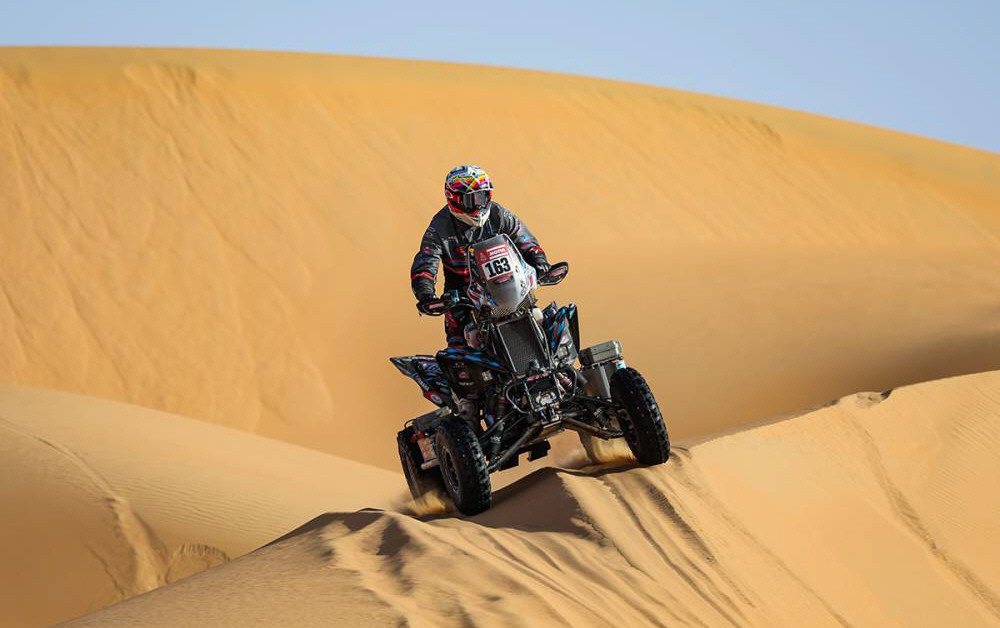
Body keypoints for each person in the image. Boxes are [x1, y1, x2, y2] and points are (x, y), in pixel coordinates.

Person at [411, 164, 550, 348]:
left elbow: (524, 239)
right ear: (454, 199)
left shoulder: (498, 214)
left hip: (509, 285)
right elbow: (426, 262)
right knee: (459, 347)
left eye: (482, 196)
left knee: (548, 323)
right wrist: (426, 294)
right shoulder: (439, 227)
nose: (479, 204)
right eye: (471, 199)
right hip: (462, 294)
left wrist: (539, 262)